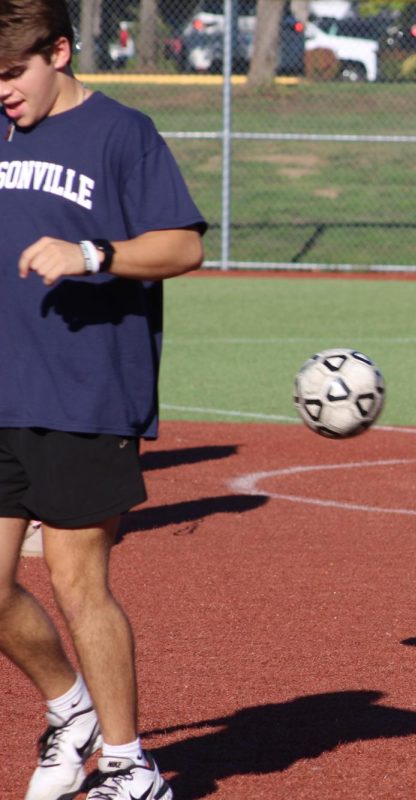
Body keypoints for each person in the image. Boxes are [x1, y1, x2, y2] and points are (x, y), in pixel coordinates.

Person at [0, 0, 206, 796]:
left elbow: (182, 244)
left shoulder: (124, 133)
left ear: (60, 50)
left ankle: (130, 766)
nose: (4, 91)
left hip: (87, 393)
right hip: (5, 391)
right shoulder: (4, 127)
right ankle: (69, 709)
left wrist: (91, 252)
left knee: (77, 579)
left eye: (15, 73)